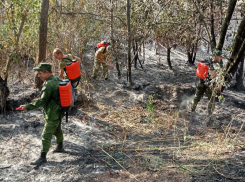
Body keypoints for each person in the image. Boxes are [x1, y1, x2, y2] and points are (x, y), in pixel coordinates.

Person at [17, 63, 65, 166]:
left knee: (46, 134)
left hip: (52, 113)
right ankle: (60, 147)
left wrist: (27, 107)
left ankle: (42, 157)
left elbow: (42, 101)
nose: (38, 76)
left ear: (47, 73)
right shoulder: (57, 79)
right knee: (57, 129)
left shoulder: (48, 84)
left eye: (40, 73)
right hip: (60, 111)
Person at [190, 50, 223, 115]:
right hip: (208, 84)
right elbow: (213, 76)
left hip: (200, 82)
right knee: (212, 99)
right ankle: (209, 114)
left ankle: (192, 110)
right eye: (220, 56)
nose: (221, 58)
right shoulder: (215, 64)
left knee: (197, 97)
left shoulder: (205, 60)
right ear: (216, 56)